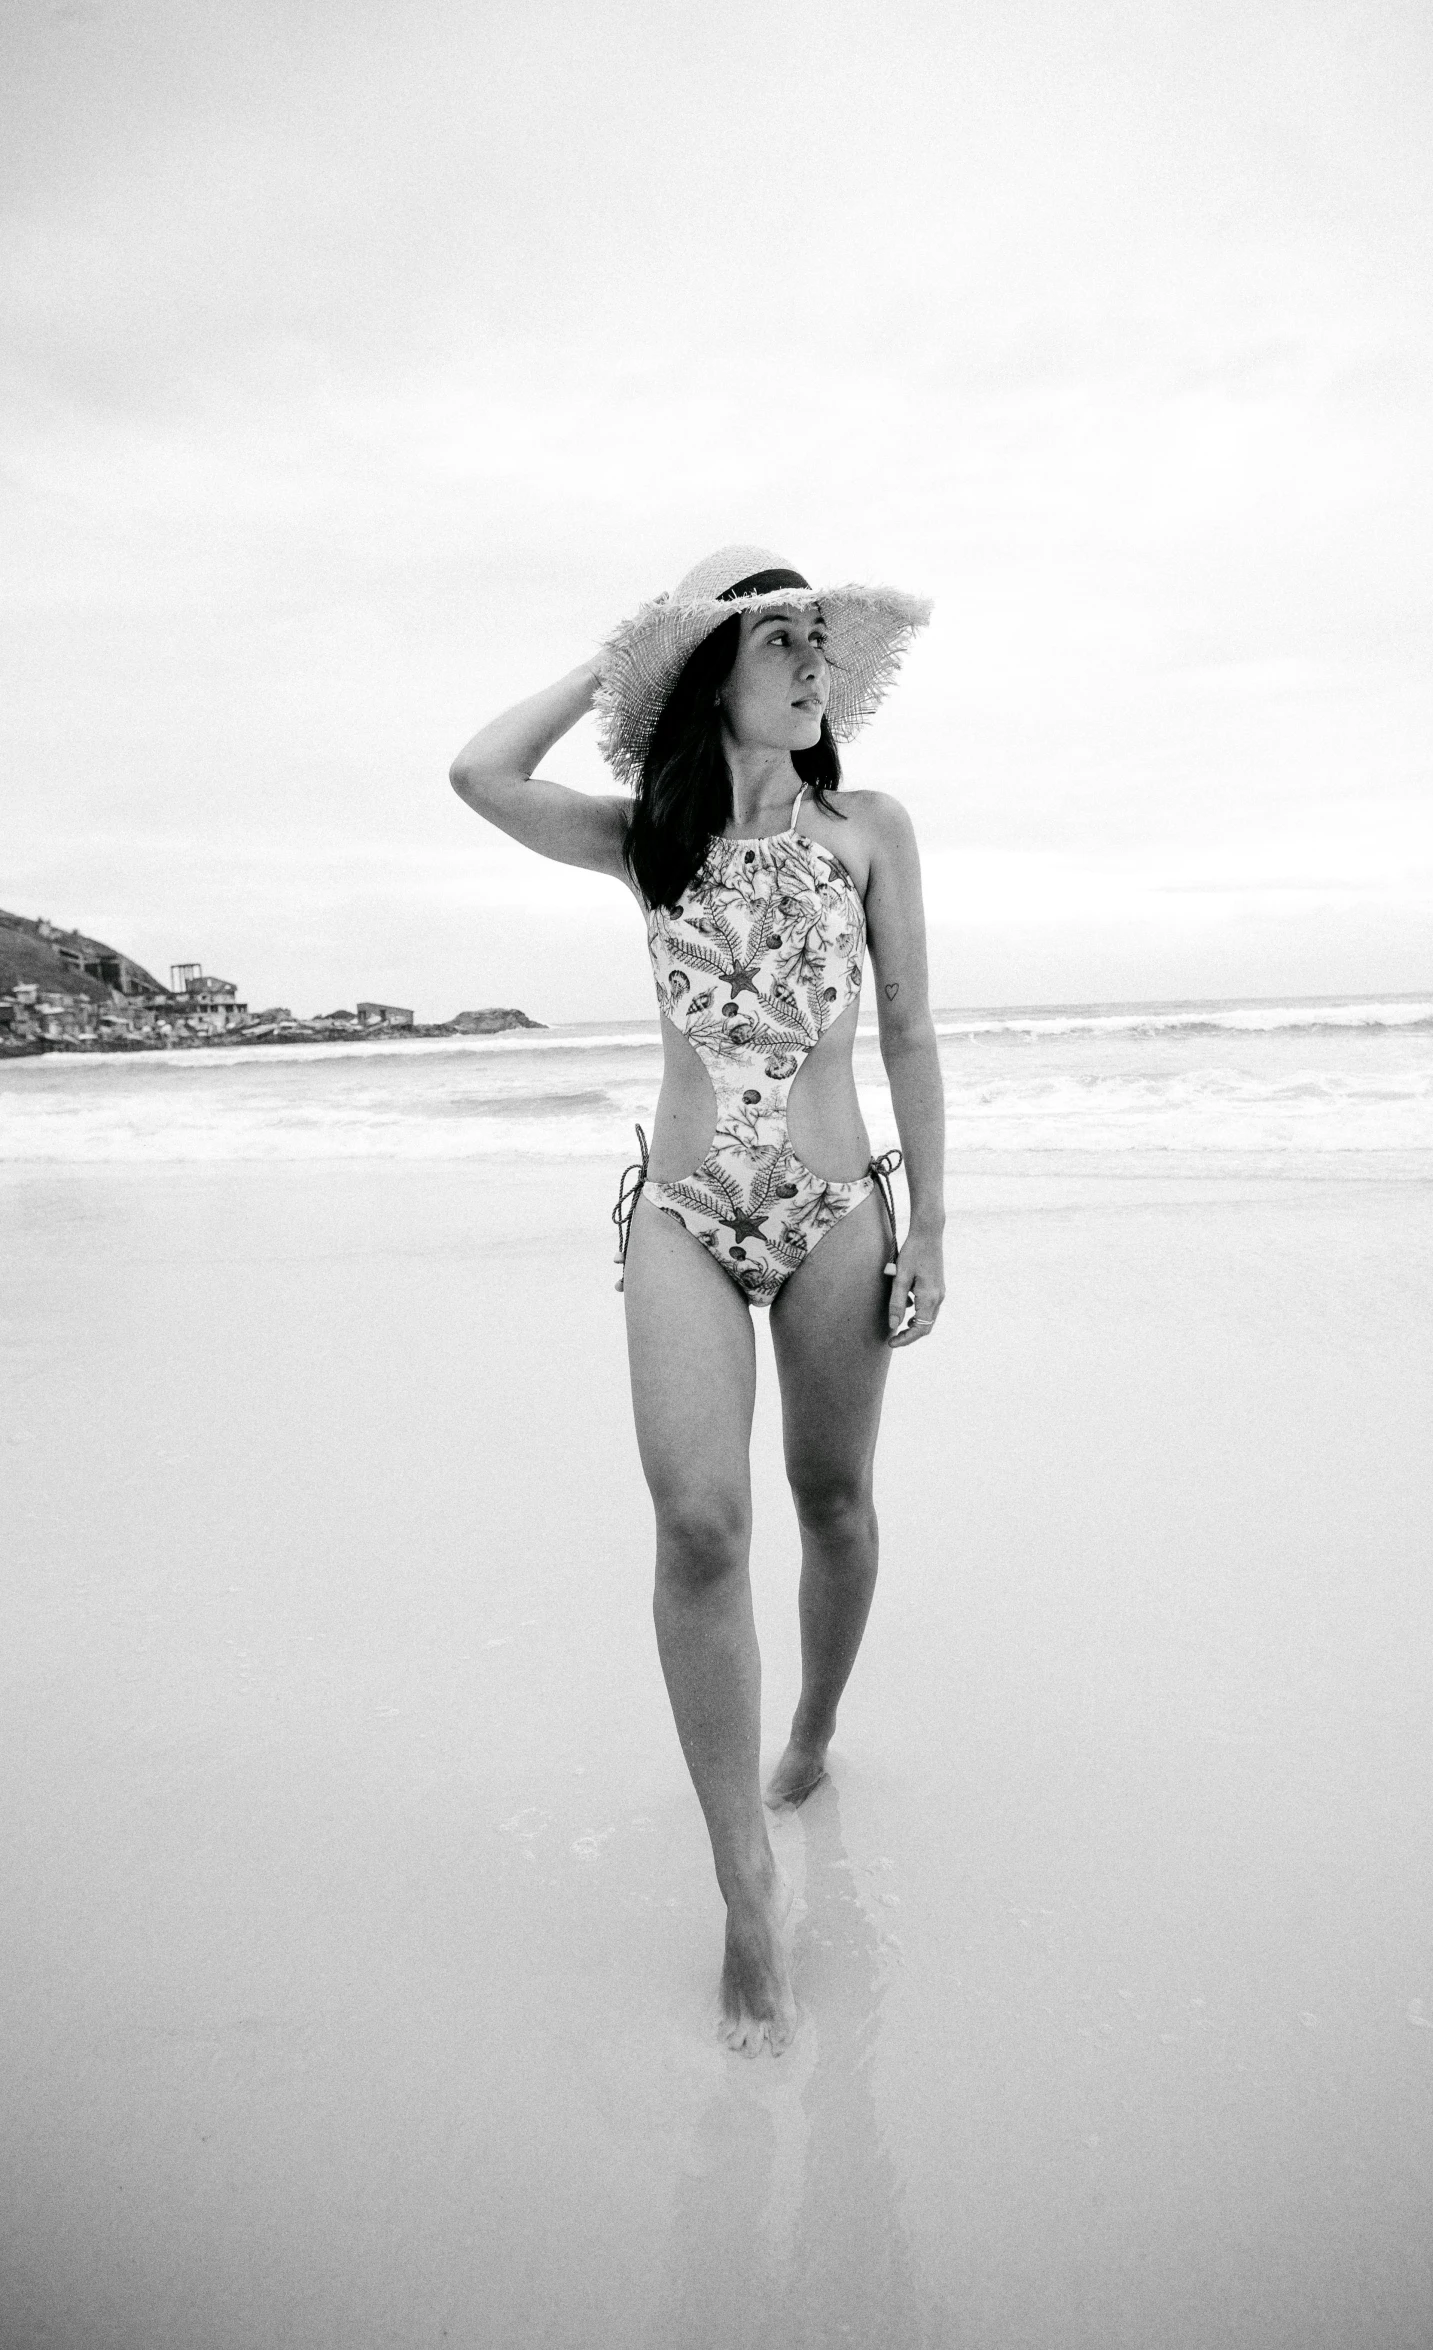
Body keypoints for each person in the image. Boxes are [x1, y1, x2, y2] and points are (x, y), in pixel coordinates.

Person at [449, 545, 946, 2055]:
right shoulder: (643, 841)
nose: (810, 663)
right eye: (776, 641)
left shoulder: (867, 830)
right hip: (680, 1212)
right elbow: (477, 770)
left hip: (832, 1211)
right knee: (702, 1522)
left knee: (832, 1499)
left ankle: (810, 1728)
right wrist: (625, 657)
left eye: (818, 643)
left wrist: (934, 1220)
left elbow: (912, 1033)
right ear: (712, 677)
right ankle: (744, 1882)